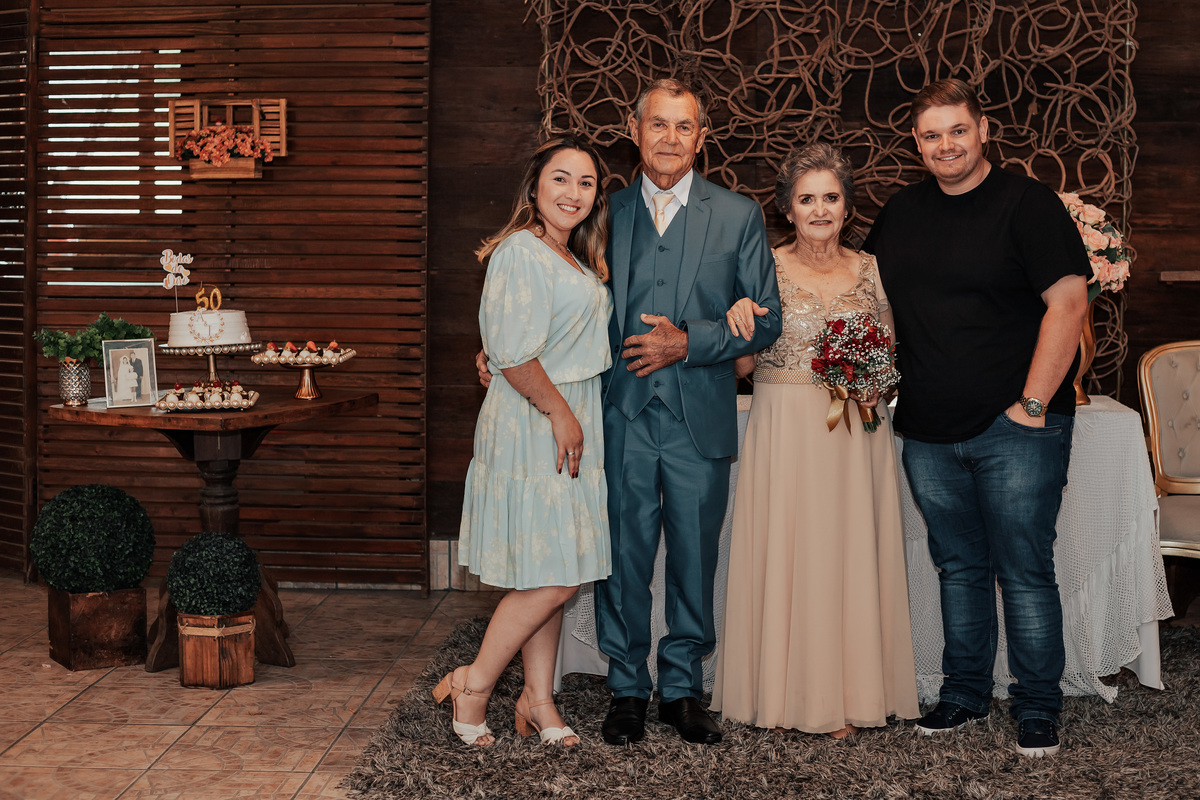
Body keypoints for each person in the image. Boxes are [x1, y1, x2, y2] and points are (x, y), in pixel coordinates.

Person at [861, 78, 1090, 757]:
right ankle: (963, 694)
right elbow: (877, 308)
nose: (946, 145)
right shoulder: (901, 213)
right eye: (931, 135)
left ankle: (1038, 704)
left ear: (984, 130)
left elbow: (1069, 304)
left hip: (1016, 427)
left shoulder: (1028, 203)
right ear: (916, 143)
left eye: (957, 130)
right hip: (928, 431)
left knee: (1023, 569)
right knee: (958, 568)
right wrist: (873, 384)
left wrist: (1032, 407)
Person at [593, 77, 781, 747]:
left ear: (702, 138)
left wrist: (690, 342)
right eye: (658, 124)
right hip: (620, 414)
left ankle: (681, 688)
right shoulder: (603, 212)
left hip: (699, 416)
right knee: (622, 556)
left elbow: (767, 320)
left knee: (695, 557)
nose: (670, 138)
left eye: (683, 126)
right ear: (635, 130)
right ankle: (626, 687)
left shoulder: (737, 215)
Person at [711, 142, 920, 737]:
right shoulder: (764, 269)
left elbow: (891, 353)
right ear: (787, 209)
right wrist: (734, 323)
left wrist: (874, 380)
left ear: (847, 207)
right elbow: (741, 366)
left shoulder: (870, 269)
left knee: (846, 552)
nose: (820, 210)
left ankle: (848, 695)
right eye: (807, 199)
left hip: (855, 432)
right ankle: (780, 697)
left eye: (831, 197)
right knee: (788, 549)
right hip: (785, 428)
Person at [435, 135, 614, 748]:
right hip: (537, 422)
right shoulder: (520, 251)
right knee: (558, 575)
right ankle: (474, 684)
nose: (573, 192)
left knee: (550, 566)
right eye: (561, 178)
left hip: (564, 415)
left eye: (586, 183)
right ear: (535, 187)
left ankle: (539, 701)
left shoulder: (573, 257)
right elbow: (512, 353)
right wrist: (561, 413)